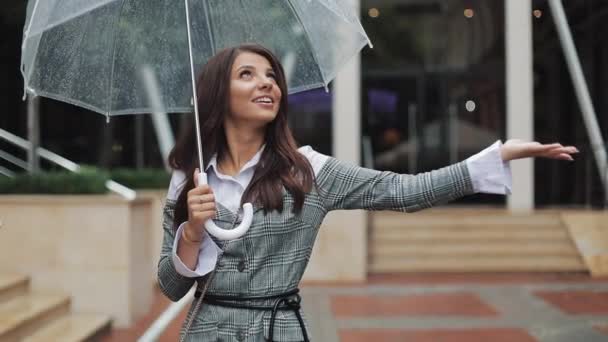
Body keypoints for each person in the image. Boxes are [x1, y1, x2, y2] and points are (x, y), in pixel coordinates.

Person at [157, 44, 578, 342]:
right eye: (246, 74)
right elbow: (171, 287)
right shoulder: (189, 180)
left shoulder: (309, 171)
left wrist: (494, 157)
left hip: (276, 329)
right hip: (205, 330)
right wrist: (192, 232)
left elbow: (403, 191)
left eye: (272, 76)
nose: (267, 84)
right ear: (217, 93)